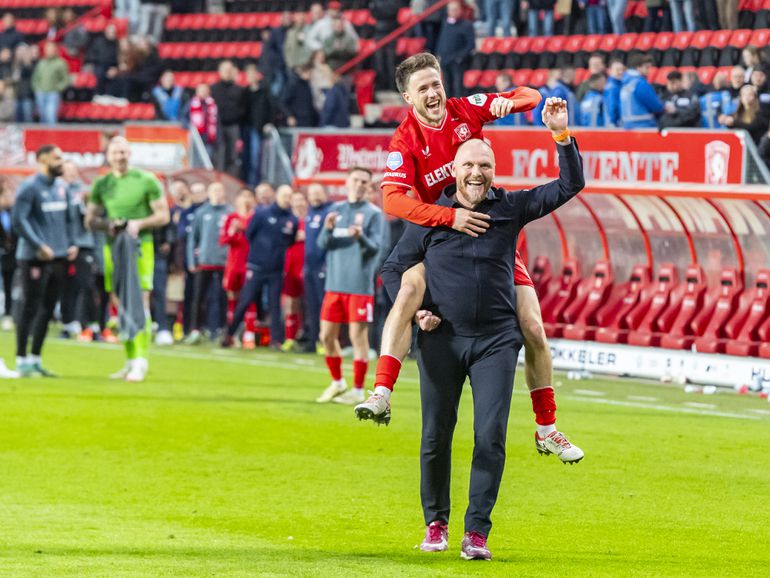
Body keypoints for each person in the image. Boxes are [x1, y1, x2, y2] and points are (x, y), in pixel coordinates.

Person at [380, 99, 584, 559]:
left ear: (494, 168)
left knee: (489, 437)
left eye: (485, 164)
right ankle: (436, 524)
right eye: (469, 163)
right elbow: (393, 270)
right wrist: (416, 313)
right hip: (441, 340)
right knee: (436, 436)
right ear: (454, 169)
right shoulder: (429, 214)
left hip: (495, 341)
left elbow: (571, 184)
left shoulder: (511, 207)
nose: (477, 172)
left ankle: (477, 534)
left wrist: (560, 134)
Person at [356, 54, 573, 459]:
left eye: (436, 83)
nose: (433, 92)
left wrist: (514, 103)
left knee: (533, 325)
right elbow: (392, 201)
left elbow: (529, 94)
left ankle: (547, 428)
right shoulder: (403, 142)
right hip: (438, 235)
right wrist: (449, 216)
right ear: (408, 97)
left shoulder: (465, 109)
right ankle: (382, 390)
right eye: (423, 88)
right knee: (404, 288)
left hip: (488, 231)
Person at [86, 137, 171, 382]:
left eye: (123, 152)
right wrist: (109, 224)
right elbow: (90, 220)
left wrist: (138, 224)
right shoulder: (102, 184)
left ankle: (141, 361)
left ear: (130, 153)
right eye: (115, 152)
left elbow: (163, 215)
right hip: (112, 247)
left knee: (139, 300)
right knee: (120, 304)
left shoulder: (146, 180)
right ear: (108, 155)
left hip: (139, 246)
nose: (119, 156)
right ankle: (130, 359)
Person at [316, 167, 385, 406]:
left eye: (364, 182)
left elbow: (377, 248)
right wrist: (326, 228)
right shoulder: (335, 210)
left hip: (358, 285)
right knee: (326, 336)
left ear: (368, 187)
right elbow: (322, 243)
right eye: (355, 180)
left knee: (358, 336)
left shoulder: (374, 214)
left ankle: (357, 390)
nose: (358, 184)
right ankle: (337, 382)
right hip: (334, 283)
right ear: (347, 182)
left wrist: (361, 237)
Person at [12, 145, 78, 377]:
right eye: (57, 158)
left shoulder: (62, 187)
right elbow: (19, 220)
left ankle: (35, 358)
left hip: (59, 256)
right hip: (34, 258)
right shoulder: (29, 187)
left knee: (48, 309)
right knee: (30, 307)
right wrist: (38, 245)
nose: (61, 162)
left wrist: (73, 242)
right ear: (42, 159)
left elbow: (70, 219)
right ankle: (21, 359)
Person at [222, 185, 298, 349]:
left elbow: (290, 241)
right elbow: (249, 233)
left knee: (275, 305)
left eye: (289, 196)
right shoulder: (262, 214)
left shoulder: (292, 220)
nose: (287, 199)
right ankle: (229, 334)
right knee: (245, 301)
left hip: (276, 270)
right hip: (256, 266)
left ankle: (276, 340)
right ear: (277, 196)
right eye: (284, 195)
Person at [184, 182, 230, 344]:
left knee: (223, 298)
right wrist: (192, 260)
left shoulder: (230, 212)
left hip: (225, 263)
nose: (217, 193)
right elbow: (193, 239)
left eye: (220, 190)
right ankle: (196, 329)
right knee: (199, 298)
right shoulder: (201, 213)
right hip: (204, 262)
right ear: (208, 193)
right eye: (214, 191)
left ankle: (222, 330)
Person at [59, 161, 99, 341]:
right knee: (65, 287)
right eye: (66, 171)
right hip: (61, 247)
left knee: (87, 284)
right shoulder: (56, 192)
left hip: (83, 246)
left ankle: (91, 324)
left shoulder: (82, 192)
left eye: (72, 171)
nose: (70, 174)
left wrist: (75, 243)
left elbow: (88, 219)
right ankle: (67, 324)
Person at [221, 188, 259, 349]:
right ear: (237, 200)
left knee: (249, 299)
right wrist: (233, 230)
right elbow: (223, 240)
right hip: (233, 264)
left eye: (249, 196)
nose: (246, 200)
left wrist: (244, 228)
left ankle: (249, 335)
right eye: (243, 197)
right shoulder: (232, 218)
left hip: (250, 263)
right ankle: (232, 335)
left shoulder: (256, 218)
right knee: (233, 299)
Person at [303, 183, 332, 353]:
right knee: (312, 305)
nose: (314, 196)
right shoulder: (310, 212)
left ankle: (326, 341)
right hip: (309, 267)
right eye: (311, 193)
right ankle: (313, 340)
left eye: (317, 192)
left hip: (323, 266)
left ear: (325, 194)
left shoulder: (328, 212)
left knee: (324, 306)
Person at [177, 181, 207, 337]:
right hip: (190, 261)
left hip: (207, 261)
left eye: (201, 191)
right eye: (195, 192)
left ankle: (205, 328)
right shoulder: (186, 212)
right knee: (189, 295)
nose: (198, 195)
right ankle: (187, 328)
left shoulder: (209, 211)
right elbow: (183, 234)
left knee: (206, 297)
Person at [280, 190, 308, 353]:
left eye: (300, 200)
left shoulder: (311, 219)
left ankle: (312, 338)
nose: (298, 203)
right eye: (294, 200)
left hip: (308, 267)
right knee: (291, 303)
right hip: (290, 267)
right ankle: (290, 338)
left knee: (310, 305)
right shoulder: (287, 220)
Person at [211, 60, 246, 177]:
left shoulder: (239, 90)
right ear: (219, 72)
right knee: (219, 154)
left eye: (230, 70)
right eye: (225, 70)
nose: (227, 73)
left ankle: (231, 180)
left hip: (234, 126)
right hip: (218, 127)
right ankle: (219, 178)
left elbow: (244, 108)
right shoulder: (213, 89)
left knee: (233, 155)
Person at [242, 64, 275, 187]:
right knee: (248, 157)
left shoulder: (265, 91)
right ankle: (249, 181)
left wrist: (270, 122)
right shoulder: (245, 92)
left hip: (258, 128)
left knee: (257, 158)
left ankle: (255, 183)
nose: (251, 77)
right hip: (246, 129)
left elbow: (271, 108)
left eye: (253, 74)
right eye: (248, 74)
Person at [435, 1, 475, 99]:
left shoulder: (466, 25)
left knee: (458, 88)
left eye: (455, 9)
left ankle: (459, 111)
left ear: (460, 10)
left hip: (457, 62)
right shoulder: (445, 23)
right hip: (445, 60)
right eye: (451, 9)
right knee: (446, 87)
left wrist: (459, 58)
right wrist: (438, 53)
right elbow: (441, 40)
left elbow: (471, 44)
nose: (453, 11)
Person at [620, 54, 671, 129]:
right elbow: (655, 105)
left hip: (627, 126)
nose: (649, 71)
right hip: (643, 126)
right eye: (647, 68)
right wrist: (665, 107)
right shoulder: (640, 83)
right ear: (638, 67)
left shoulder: (625, 84)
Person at [31, 41, 69, 124]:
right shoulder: (41, 62)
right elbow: (35, 78)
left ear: (55, 50)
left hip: (53, 93)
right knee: (42, 117)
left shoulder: (61, 63)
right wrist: (37, 89)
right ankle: (42, 136)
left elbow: (65, 79)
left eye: (51, 49)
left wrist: (58, 88)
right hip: (40, 93)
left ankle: (53, 136)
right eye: (47, 49)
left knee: (50, 116)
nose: (49, 51)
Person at [85, 23, 118, 96]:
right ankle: (99, 94)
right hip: (99, 65)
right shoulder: (98, 42)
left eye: (114, 33)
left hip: (113, 66)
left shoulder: (117, 44)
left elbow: (119, 58)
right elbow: (91, 55)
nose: (112, 34)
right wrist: (100, 60)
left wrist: (116, 68)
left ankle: (111, 95)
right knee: (100, 73)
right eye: (110, 32)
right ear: (106, 32)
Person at [187, 83, 218, 161]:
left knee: (207, 160)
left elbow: (217, 122)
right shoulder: (191, 103)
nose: (203, 93)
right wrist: (189, 126)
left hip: (208, 138)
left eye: (205, 91)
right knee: (195, 160)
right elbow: (182, 117)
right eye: (201, 91)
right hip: (196, 137)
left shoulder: (213, 104)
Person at [0, 181, 16, 329]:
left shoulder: (13, 213)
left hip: (10, 257)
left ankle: (8, 315)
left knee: (9, 286)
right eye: (6, 195)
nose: (10, 198)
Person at [12, 43, 35, 122]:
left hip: (27, 96)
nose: (21, 53)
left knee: (27, 119)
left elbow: (31, 74)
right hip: (16, 96)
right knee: (17, 119)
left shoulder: (32, 64)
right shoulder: (15, 64)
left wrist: (27, 60)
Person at [604, 59, 625, 127]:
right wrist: (613, 123)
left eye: (622, 70)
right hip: (615, 124)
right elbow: (612, 107)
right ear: (610, 71)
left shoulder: (619, 85)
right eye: (617, 70)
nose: (620, 72)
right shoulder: (612, 87)